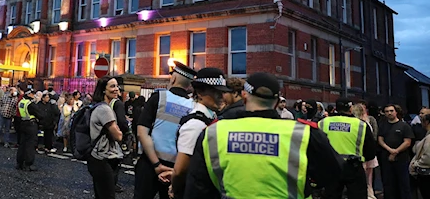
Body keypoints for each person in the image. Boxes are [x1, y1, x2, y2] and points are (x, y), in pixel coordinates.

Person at [185, 72, 342, 199]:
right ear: (276, 101)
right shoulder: (303, 133)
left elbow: (198, 189)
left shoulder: (214, 132)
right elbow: (332, 173)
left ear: (244, 95)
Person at [134, 60, 195, 199]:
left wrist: (157, 165)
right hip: (176, 168)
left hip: (150, 164)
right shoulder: (193, 107)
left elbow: (142, 133)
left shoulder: (159, 97)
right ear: (189, 84)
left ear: (173, 78)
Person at [169, 68, 230, 199]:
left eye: (222, 92)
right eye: (215, 92)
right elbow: (180, 170)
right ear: (200, 92)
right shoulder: (195, 124)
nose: (221, 96)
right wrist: (174, 189)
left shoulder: (209, 117)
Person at [318, 98, 376, 199]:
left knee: (331, 195)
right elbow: (370, 152)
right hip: (353, 166)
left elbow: (317, 146)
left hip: (331, 166)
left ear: (336, 108)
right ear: (350, 108)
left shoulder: (322, 122)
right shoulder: (361, 125)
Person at [87, 76, 124, 199]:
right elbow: (118, 136)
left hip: (97, 157)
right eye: (112, 86)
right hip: (102, 158)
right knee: (107, 195)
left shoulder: (98, 106)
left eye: (117, 86)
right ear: (104, 90)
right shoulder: (105, 109)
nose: (116, 89)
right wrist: (120, 131)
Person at [378, 104, 415, 199]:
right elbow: (380, 139)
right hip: (386, 159)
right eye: (386, 111)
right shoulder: (382, 125)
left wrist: (395, 152)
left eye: (391, 111)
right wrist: (390, 150)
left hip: (402, 160)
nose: (389, 113)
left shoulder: (404, 126)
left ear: (396, 112)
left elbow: (407, 142)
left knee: (404, 185)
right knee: (388, 184)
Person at [352, 102, 379, 199]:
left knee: (362, 182)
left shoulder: (359, 124)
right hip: (368, 156)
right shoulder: (366, 123)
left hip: (360, 155)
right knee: (368, 182)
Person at [17, 88, 42, 171]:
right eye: (32, 93)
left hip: (23, 123)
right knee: (30, 145)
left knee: (22, 144)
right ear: (28, 94)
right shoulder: (30, 104)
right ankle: (28, 164)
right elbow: (40, 114)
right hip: (31, 125)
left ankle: (19, 163)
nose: (33, 95)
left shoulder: (21, 102)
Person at [410, 113, 430, 199]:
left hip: (427, 174)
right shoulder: (427, 135)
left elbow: (428, 157)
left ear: (426, 122)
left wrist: (416, 164)